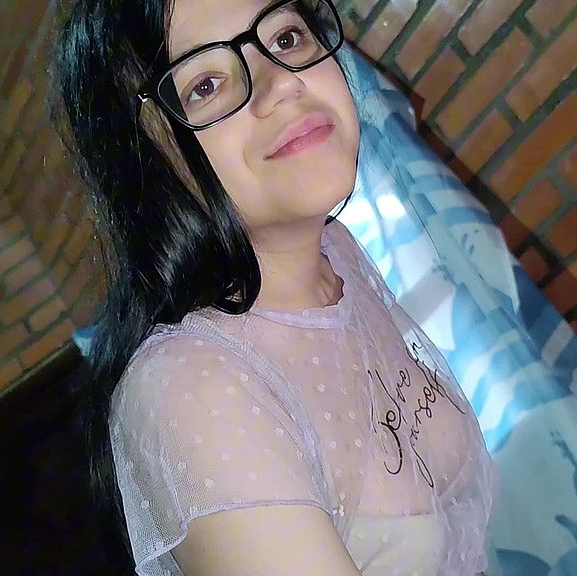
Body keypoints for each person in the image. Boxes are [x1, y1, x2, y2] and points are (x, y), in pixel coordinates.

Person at [50, 0, 493, 574]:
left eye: (285, 38)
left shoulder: (338, 256)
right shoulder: (191, 388)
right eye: (206, 85)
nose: (281, 82)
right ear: (143, 159)